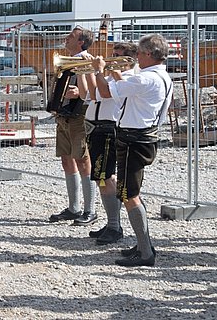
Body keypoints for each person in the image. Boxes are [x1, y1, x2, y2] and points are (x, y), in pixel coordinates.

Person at [94, 34, 174, 267]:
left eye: (139, 53)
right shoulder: (158, 76)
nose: (136, 57)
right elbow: (123, 89)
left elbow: (107, 92)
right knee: (132, 191)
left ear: (149, 54)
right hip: (142, 137)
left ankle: (146, 252)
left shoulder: (145, 79)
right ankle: (142, 244)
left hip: (134, 140)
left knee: (129, 194)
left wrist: (99, 71)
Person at [45, 27, 96, 224]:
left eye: (71, 37)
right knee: (66, 160)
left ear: (81, 42)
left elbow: (93, 91)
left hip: (79, 115)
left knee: (83, 160)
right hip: (64, 115)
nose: (66, 39)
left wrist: (79, 92)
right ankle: (74, 207)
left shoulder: (87, 60)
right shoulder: (68, 61)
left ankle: (89, 210)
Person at [85, 39, 128, 243]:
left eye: (118, 56)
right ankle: (112, 222)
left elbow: (103, 93)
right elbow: (93, 95)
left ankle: (114, 225)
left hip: (109, 128)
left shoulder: (124, 78)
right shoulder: (111, 77)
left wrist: (98, 71)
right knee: (102, 177)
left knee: (105, 177)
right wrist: (88, 71)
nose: (114, 59)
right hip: (97, 128)